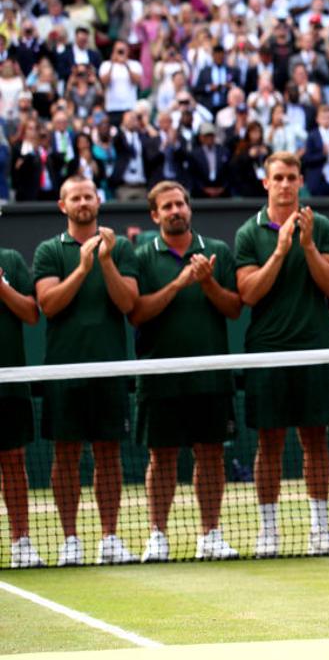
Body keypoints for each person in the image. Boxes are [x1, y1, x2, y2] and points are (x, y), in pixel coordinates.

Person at [234, 152, 329, 559]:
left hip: (314, 348)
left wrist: (308, 245)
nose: (284, 184)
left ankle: (320, 528)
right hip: (267, 352)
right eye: (277, 177)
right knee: (270, 443)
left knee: (316, 441)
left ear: (300, 182)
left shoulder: (321, 225)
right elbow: (248, 294)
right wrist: (280, 251)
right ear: (266, 183)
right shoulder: (250, 233)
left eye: (291, 177)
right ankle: (268, 531)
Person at [130, 181, 241, 562]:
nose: (175, 210)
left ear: (189, 209)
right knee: (161, 459)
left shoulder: (218, 252)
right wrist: (180, 283)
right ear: (155, 215)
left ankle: (210, 534)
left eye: (180, 204)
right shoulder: (142, 257)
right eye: (167, 206)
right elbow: (138, 312)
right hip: (160, 376)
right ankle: (157, 536)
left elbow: (234, 309)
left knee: (211, 456)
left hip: (210, 375)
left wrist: (207, 282)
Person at [32, 176, 137, 565]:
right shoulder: (48, 250)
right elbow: (49, 304)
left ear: (98, 201)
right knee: (65, 455)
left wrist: (105, 260)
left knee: (109, 455)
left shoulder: (120, 248)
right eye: (75, 198)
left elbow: (128, 303)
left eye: (88, 196)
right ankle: (70, 541)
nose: (82, 203)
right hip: (64, 370)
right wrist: (82, 267)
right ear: (63, 206)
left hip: (109, 368)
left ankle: (109, 538)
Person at [0, 242, 44, 567]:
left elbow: (31, 313)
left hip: (10, 381)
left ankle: (21, 544)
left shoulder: (11, 259)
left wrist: (1, 286)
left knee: (14, 461)